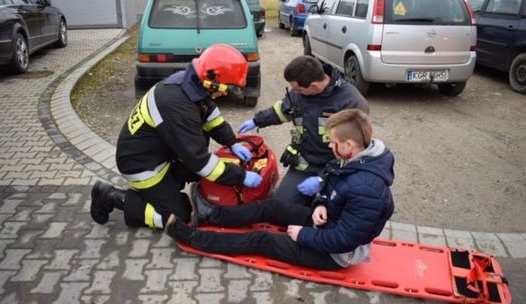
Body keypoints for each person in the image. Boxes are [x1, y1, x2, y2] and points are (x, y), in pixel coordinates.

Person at [166, 109, 394, 270]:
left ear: (349, 145)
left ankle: (193, 238)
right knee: (270, 206)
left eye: (332, 141)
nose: (328, 145)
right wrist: (321, 203)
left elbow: (343, 240)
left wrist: (303, 235)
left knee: (261, 240)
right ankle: (211, 215)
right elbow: (331, 184)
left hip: (335, 253)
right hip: (328, 222)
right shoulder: (352, 158)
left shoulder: (368, 189)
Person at [90, 44, 263, 229]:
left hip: (163, 153)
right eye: (227, 89)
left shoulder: (191, 84)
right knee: (177, 217)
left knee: (205, 173)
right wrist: (241, 176)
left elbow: (211, 117)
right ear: (212, 81)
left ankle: (166, 192)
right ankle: (110, 196)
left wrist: (232, 142)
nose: (225, 93)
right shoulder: (176, 105)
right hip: (142, 165)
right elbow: (200, 162)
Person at [238, 55, 369, 206]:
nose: (294, 92)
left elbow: (355, 151)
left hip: (337, 167)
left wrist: (323, 178)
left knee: (330, 212)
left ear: (313, 85)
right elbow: (282, 111)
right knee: (282, 206)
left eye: (297, 89)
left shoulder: (351, 101)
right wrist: (256, 120)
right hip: (305, 163)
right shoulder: (299, 93)